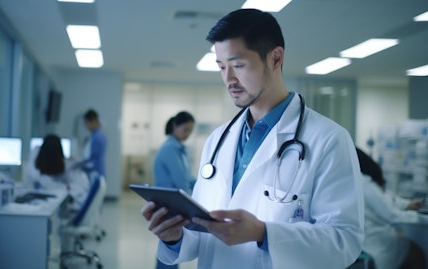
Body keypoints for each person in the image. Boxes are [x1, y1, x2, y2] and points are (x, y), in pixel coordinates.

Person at [141, 9, 364, 269]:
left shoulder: (328, 140)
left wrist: (263, 233)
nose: (228, 79)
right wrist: (174, 237)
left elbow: (345, 242)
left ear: (275, 58)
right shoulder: (217, 141)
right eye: (221, 67)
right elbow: (202, 233)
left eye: (238, 65)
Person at [356, 147, 427, 269]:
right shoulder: (364, 183)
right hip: (377, 244)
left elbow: (385, 199)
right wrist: (423, 219)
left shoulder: (349, 181)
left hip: (361, 243)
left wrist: (407, 204)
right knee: (417, 254)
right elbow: (391, 215)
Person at [153, 111, 196, 269]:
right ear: (174, 126)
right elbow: (181, 183)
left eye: (190, 131)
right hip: (170, 206)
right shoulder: (170, 149)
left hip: (174, 205)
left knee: (172, 248)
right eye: (185, 130)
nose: (188, 134)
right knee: (171, 249)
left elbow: (188, 178)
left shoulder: (179, 149)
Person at [26, 134, 90, 209]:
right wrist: (66, 186)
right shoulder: (37, 173)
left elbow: (79, 191)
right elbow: (49, 184)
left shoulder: (62, 167)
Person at [81, 109, 107, 178]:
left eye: (86, 123)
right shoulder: (94, 136)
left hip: (95, 174)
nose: (86, 126)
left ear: (93, 121)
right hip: (95, 173)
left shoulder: (98, 137)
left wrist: (79, 165)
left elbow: (92, 161)